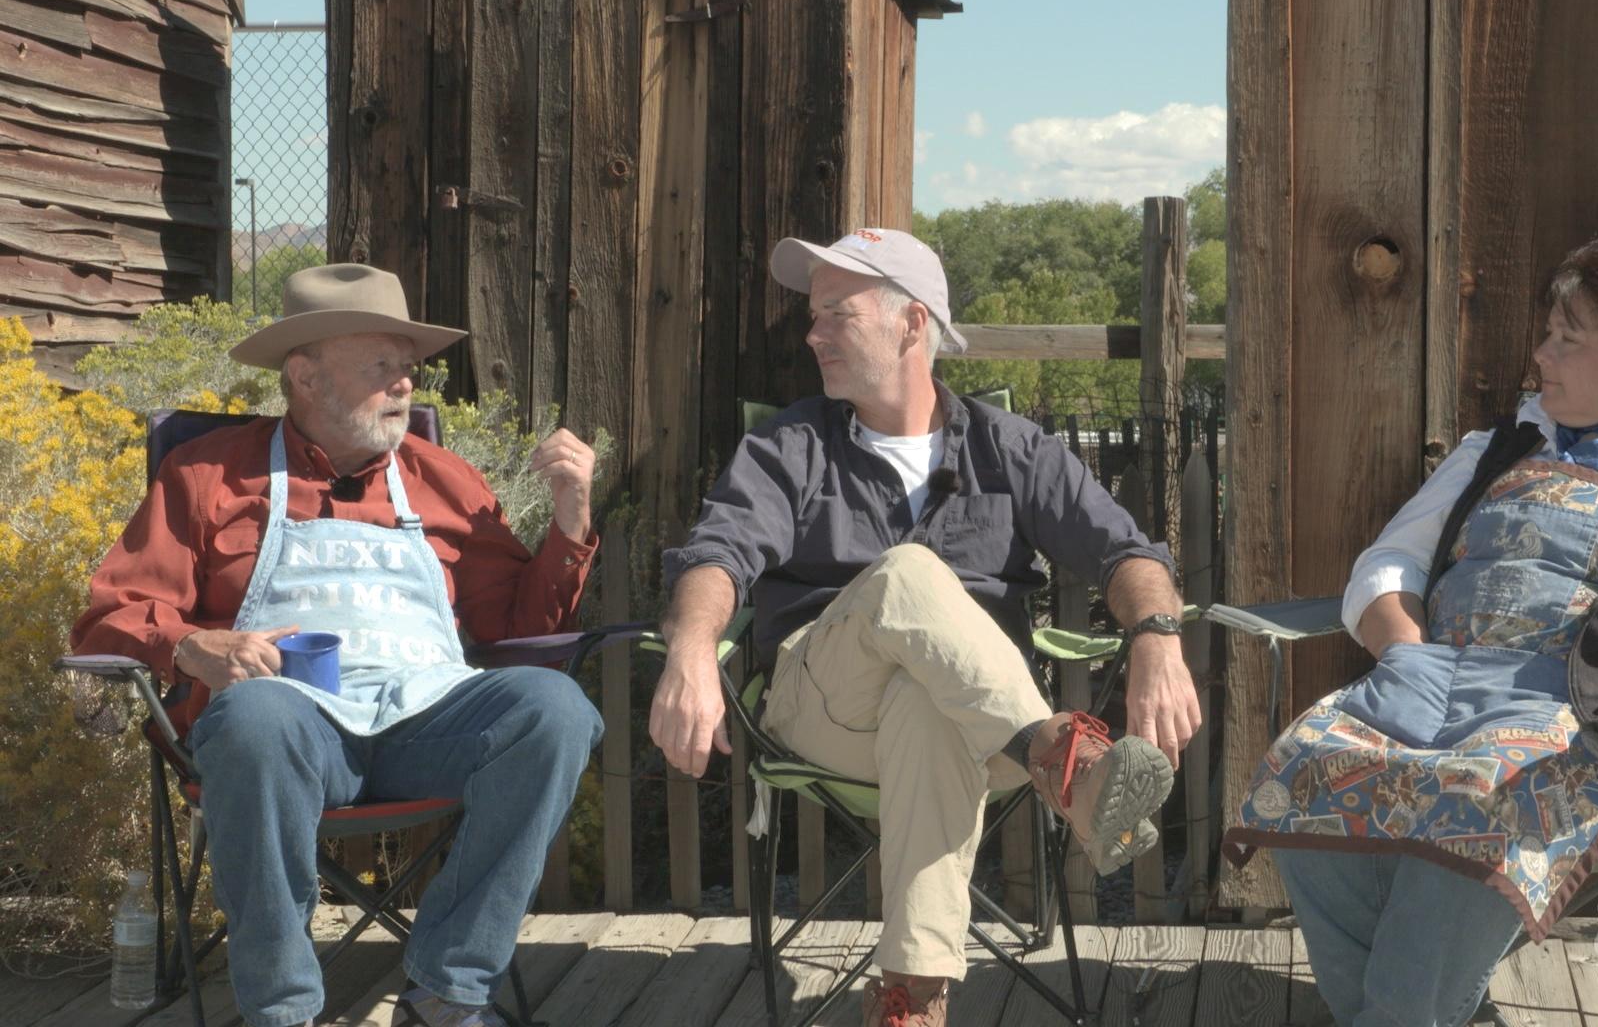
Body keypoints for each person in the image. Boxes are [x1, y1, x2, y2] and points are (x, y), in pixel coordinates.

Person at [1222, 234, 1598, 1026]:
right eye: (1549, 332)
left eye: (1567, 338)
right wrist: (1404, 651)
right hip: (1437, 685)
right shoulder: (1491, 451)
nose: (1541, 353)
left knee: (1476, 796)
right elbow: (1387, 566)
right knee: (1308, 767)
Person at [650, 228, 1203, 1026]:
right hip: (821, 709)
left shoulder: (1010, 448)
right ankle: (1065, 762)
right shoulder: (789, 446)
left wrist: (1157, 635)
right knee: (909, 574)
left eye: (836, 313)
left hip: (972, 728)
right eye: (814, 314)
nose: (812, 333)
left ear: (912, 325)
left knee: (926, 699)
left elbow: (1125, 552)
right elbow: (716, 556)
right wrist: (694, 647)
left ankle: (911, 999)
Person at [72, 263, 606, 1027]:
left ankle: (450, 993)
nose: (404, 388)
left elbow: (521, 634)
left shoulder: (445, 480)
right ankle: (283, 1012)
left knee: (555, 710)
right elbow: (111, 614)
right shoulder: (208, 474)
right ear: (307, 377)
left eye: (408, 369)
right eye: (381, 368)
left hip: (429, 724)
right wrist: (196, 647)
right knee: (256, 720)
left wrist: (571, 519)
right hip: (290, 735)